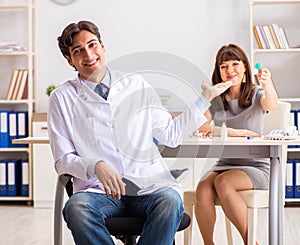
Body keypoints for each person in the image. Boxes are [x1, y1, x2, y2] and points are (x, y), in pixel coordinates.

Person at [48, 20, 232, 245]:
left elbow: (170, 134)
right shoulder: (62, 98)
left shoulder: (135, 84)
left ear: (103, 46)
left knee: (171, 201)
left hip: (148, 188)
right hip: (99, 192)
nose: (88, 54)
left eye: (92, 45)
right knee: (77, 208)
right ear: (69, 59)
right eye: (78, 51)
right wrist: (95, 165)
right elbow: (63, 160)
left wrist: (205, 99)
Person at [194, 43, 278, 245]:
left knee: (223, 183)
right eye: (224, 66)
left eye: (235, 64)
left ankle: (252, 243)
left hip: (255, 167)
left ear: (245, 68)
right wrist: (232, 132)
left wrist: (268, 85)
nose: (230, 70)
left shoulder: (256, 94)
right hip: (225, 164)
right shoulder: (217, 99)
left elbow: (271, 104)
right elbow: (200, 126)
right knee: (203, 189)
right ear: (218, 71)